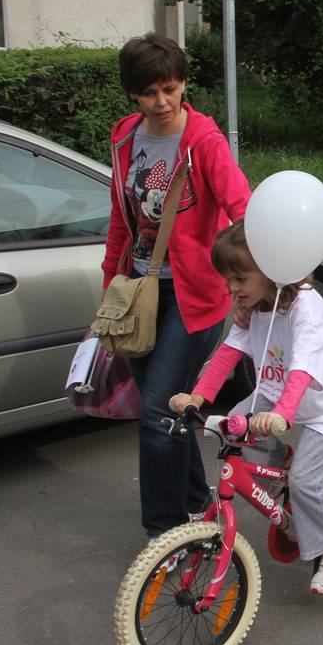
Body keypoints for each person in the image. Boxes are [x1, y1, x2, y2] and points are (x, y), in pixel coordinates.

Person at [101, 33, 252, 539]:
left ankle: (164, 532)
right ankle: (193, 502)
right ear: (133, 95)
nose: (162, 102)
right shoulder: (126, 137)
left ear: (183, 83)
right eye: (149, 93)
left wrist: (250, 282)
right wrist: (111, 285)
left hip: (194, 298)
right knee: (171, 409)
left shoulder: (204, 142)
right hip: (139, 295)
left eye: (170, 88)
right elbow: (120, 221)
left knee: (155, 415)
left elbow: (241, 209)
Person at [170, 222, 323, 596]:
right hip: (274, 396)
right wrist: (197, 398)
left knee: (305, 480)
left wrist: (283, 414)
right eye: (228, 280)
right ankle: (276, 467)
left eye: (240, 279)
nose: (232, 289)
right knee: (231, 435)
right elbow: (229, 353)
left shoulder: (305, 308)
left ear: (272, 270)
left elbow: (304, 366)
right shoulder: (255, 305)